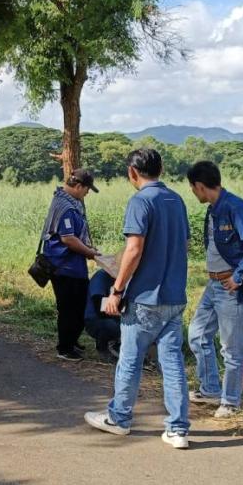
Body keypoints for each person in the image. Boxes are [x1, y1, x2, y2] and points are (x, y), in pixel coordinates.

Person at [84, 147, 193, 448]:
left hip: (145, 298)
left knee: (130, 360)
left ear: (132, 173)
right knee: (171, 364)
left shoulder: (140, 202)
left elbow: (134, 249)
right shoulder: (177, 200)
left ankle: (119, 418)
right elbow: (183, 247)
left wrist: (116, 291)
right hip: (175, 296)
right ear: (161, 169)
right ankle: (178, 429)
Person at [185, 160, 243, 418]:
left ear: (200, 186)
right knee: (197, 334)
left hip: (229, 286)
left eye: (192, 188)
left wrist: (238, 277)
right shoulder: (213, 210)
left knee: (232, 348)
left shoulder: (234, 207)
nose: (193, 192)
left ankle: (230, 402)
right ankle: (210, 390)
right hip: (213, 285)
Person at [41, 169, 102, 360]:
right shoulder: (66, 206)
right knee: (69, 307)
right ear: (78, 186)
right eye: (86, 189)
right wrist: (90, 253)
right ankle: (65, 348)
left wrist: (87, 247)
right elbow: (68, 239)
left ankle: (72, 340)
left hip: (72, 265)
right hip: (64, 266)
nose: (87, 193)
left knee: (78, 304)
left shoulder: (67, 201)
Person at [83, 266, 122, 360]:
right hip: (95, 319)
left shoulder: (118, 279)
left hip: (110, 314)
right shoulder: (101, 277)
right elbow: (99, 306)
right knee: (118, 327)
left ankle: (117, 343)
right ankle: (104, 345)